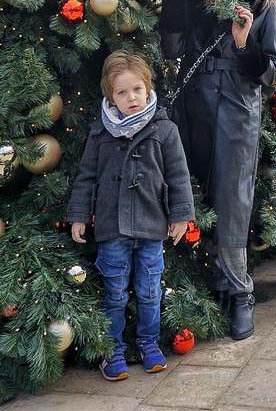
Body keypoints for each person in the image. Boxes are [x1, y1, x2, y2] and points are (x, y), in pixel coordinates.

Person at [159, 0, 276, 341]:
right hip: (193, 106)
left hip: (236, 109)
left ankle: (239, 293)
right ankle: (197, 285)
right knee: (189, 192)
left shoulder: (267, 7)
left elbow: (271, 73)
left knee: (231, 199)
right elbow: (173, 50)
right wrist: (176, 3)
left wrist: (244, 42)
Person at [67, 51, 194, 381]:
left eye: (137, 89)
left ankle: (149, 342)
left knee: (150, 291)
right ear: (111, 96)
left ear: (148, 88)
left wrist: (181, 215)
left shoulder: (164, 129)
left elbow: (179, 176)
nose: (131, 98)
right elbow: (86, 178)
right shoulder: (100, 133)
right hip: (112, 228)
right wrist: (79, 215)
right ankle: (113, 350)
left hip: (152, 227)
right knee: (115, 293)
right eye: (121, 93)